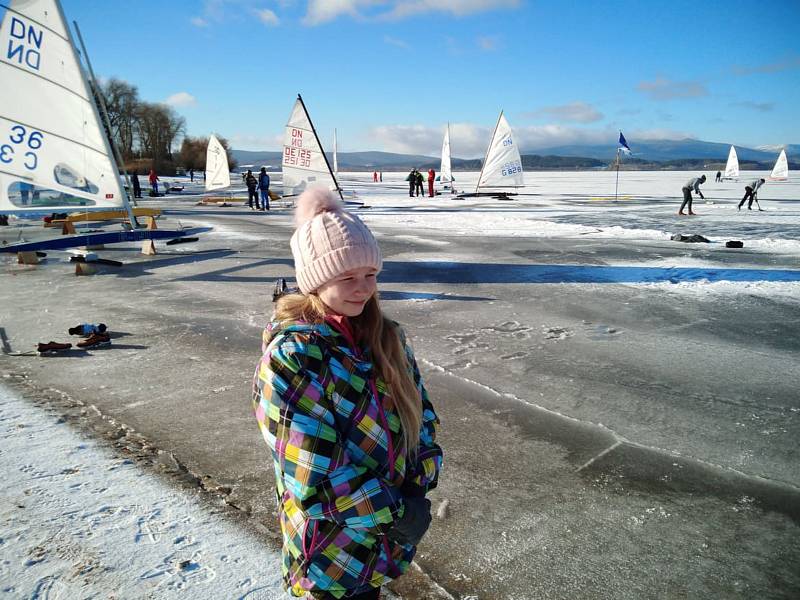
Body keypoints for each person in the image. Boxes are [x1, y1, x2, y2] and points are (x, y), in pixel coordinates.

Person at [252, 186, 442, 600]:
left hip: (382, 543)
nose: (363, 289)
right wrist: (394, 512)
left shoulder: (386, 337)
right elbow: (312, 474)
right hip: (330, 551)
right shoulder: (294, 357)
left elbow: (421, 415)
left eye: (371, 275)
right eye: (347, 277)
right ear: (315, 281)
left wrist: (420, 477)